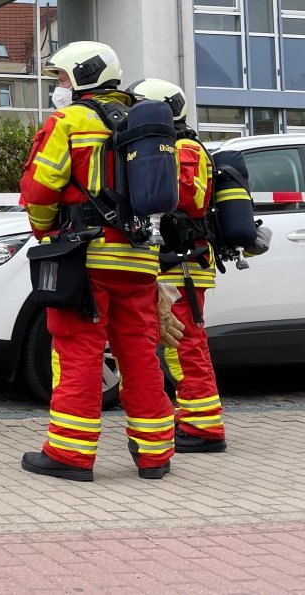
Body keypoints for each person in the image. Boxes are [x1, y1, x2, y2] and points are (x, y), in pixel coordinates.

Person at [19, 41, 175, 482]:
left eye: (62, 79)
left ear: (84, 77)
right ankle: (155, 453)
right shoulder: (140, 123)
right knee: (141, 355)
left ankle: (70, 455)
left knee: (78, 353)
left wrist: (47, 234)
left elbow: (40, 189)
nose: (58, 89)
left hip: (85, 257)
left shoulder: (70, 121)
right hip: (139, 259)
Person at [131, 77, 228, 454]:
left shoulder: (184, 148)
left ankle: (203, 427)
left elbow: (185, 198)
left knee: (185, 344)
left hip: (183, 263)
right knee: (175, 344)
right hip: (173, 261)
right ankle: (190, 416)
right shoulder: (168, 147)